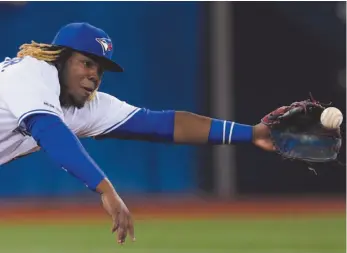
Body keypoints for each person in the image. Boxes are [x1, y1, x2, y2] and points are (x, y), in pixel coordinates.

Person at [0, 22, 275, 245]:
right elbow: (51, 134)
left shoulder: (85, 104)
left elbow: (163, 125)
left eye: (100, 68)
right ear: (60, 58)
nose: (94, 74)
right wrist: (106, 190)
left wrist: (251, 133)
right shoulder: (32, 73)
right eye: (86, 62)